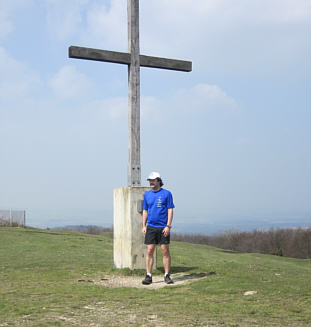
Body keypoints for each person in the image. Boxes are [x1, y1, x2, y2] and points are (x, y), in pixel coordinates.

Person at [142, 171, 175, 285]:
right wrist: (144, 225)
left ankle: (166, 275)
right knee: (150, 250)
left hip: (163, 227)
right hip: (151, 227)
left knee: (164, 251)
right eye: (149, 180)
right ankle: (148, 275)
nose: (150, 182)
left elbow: (170, 210)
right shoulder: (147, 195)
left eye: (152, 180)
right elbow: (145, 210)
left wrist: (168, 226)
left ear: (158, 181)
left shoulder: (167, 194)